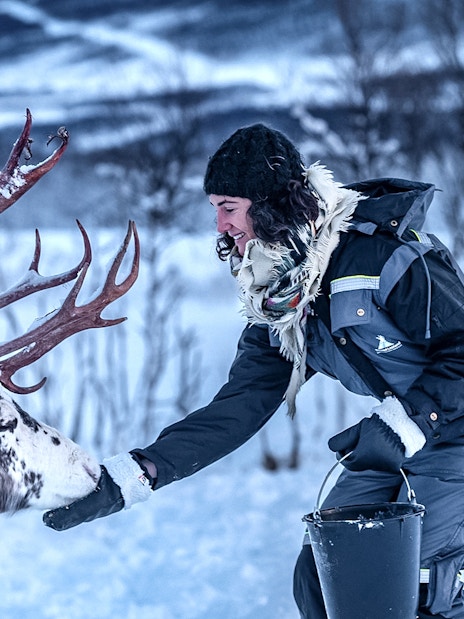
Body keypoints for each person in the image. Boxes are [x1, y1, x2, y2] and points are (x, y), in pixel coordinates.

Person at [44, 123, 464, 619]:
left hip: (448, 432)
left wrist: (409, 422)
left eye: (229, 208)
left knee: (413, 581)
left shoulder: (384, 258)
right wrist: (136, 475)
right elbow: (240, 406)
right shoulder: (284, 300)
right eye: (215, 210)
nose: (220, 226)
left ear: (270, 205)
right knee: (322, 575)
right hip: (410, 437)